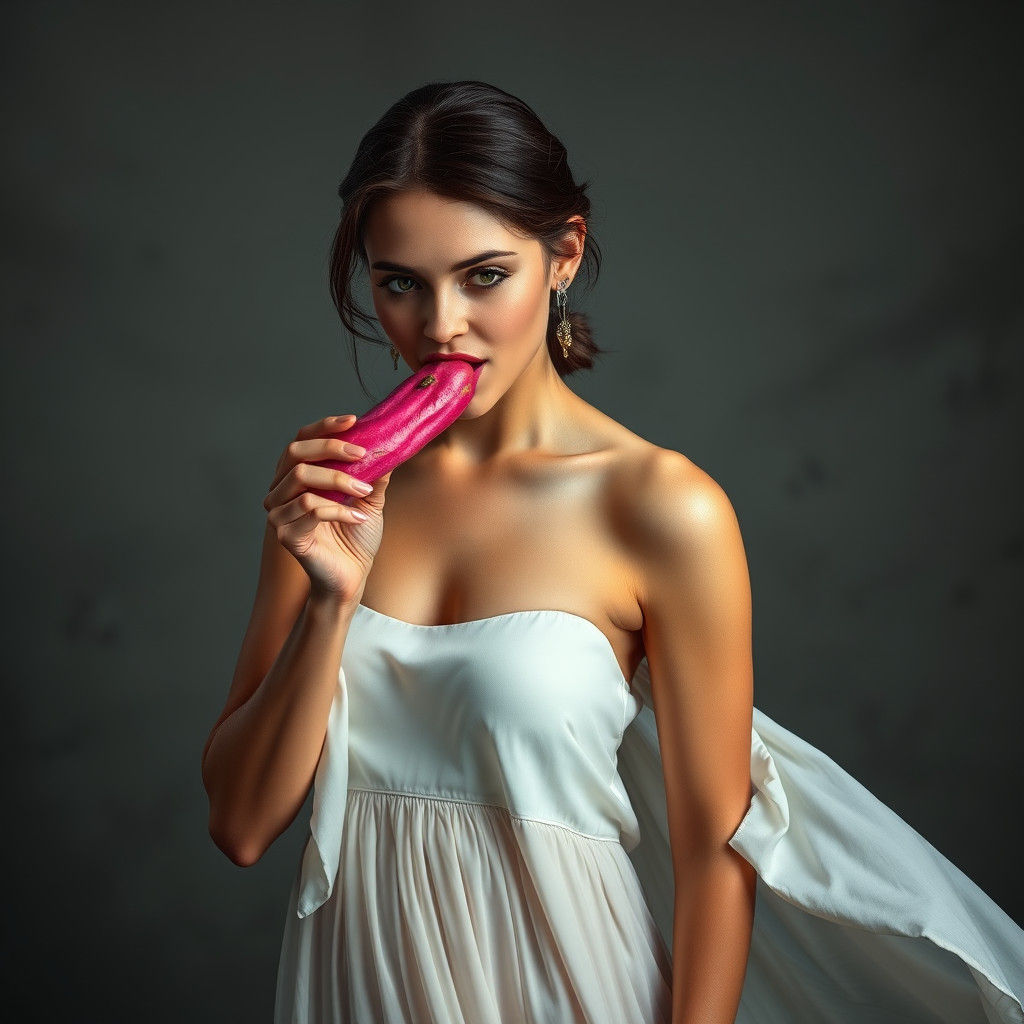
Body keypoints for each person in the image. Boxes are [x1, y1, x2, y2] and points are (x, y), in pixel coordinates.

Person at [200, 80, 1024, 1024]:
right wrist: (329, 600)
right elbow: (243, 825)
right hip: (352, 992)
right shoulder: (333, 490)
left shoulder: (661, 508)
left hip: (570, 990)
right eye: (399, 283)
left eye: (483, 276)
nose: (439, 328)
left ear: (564, 255)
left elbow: (718, 854)